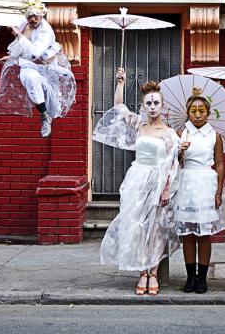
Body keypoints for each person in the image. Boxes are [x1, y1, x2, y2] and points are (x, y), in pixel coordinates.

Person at [93, 68, 180, 296]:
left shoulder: (169, 133)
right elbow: (119, 108)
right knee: (138, 226)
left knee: (156, 228)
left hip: (158, 182)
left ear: (162, 106)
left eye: (156, 103)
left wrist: (166, 190)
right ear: (143, 106)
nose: (152, 107)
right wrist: (120, 82)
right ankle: (142, 271)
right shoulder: (139, 126)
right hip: (137, 181)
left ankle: (153, 272)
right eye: (148, 103)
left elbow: (172, 164)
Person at [175, 88, 225, 294]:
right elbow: (175, 164)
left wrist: (218, 192)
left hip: (206, 186)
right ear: (188, 112)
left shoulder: (214, 135)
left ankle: (202, 278)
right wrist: (179, 151)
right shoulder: (182, 133)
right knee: (189, 235)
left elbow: (219, 164)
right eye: (193, 111)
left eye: (201, 110)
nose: (197, 114)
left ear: (208, 112)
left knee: (204, 235)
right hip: (187, 183)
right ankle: (190, 277)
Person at [0, 9, 76, 138]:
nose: (32, 19)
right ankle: (44, 115)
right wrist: (4, 58)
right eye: (29, 16)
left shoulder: (46, 31)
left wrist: (17, 33)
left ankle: (52, 108)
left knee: (54, 111)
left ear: (42, 14)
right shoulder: (23, 24)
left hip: (47, 69)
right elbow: (21, 50)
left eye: (35, 16)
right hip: (29, 67)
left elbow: (34, 52)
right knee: (30, 78)